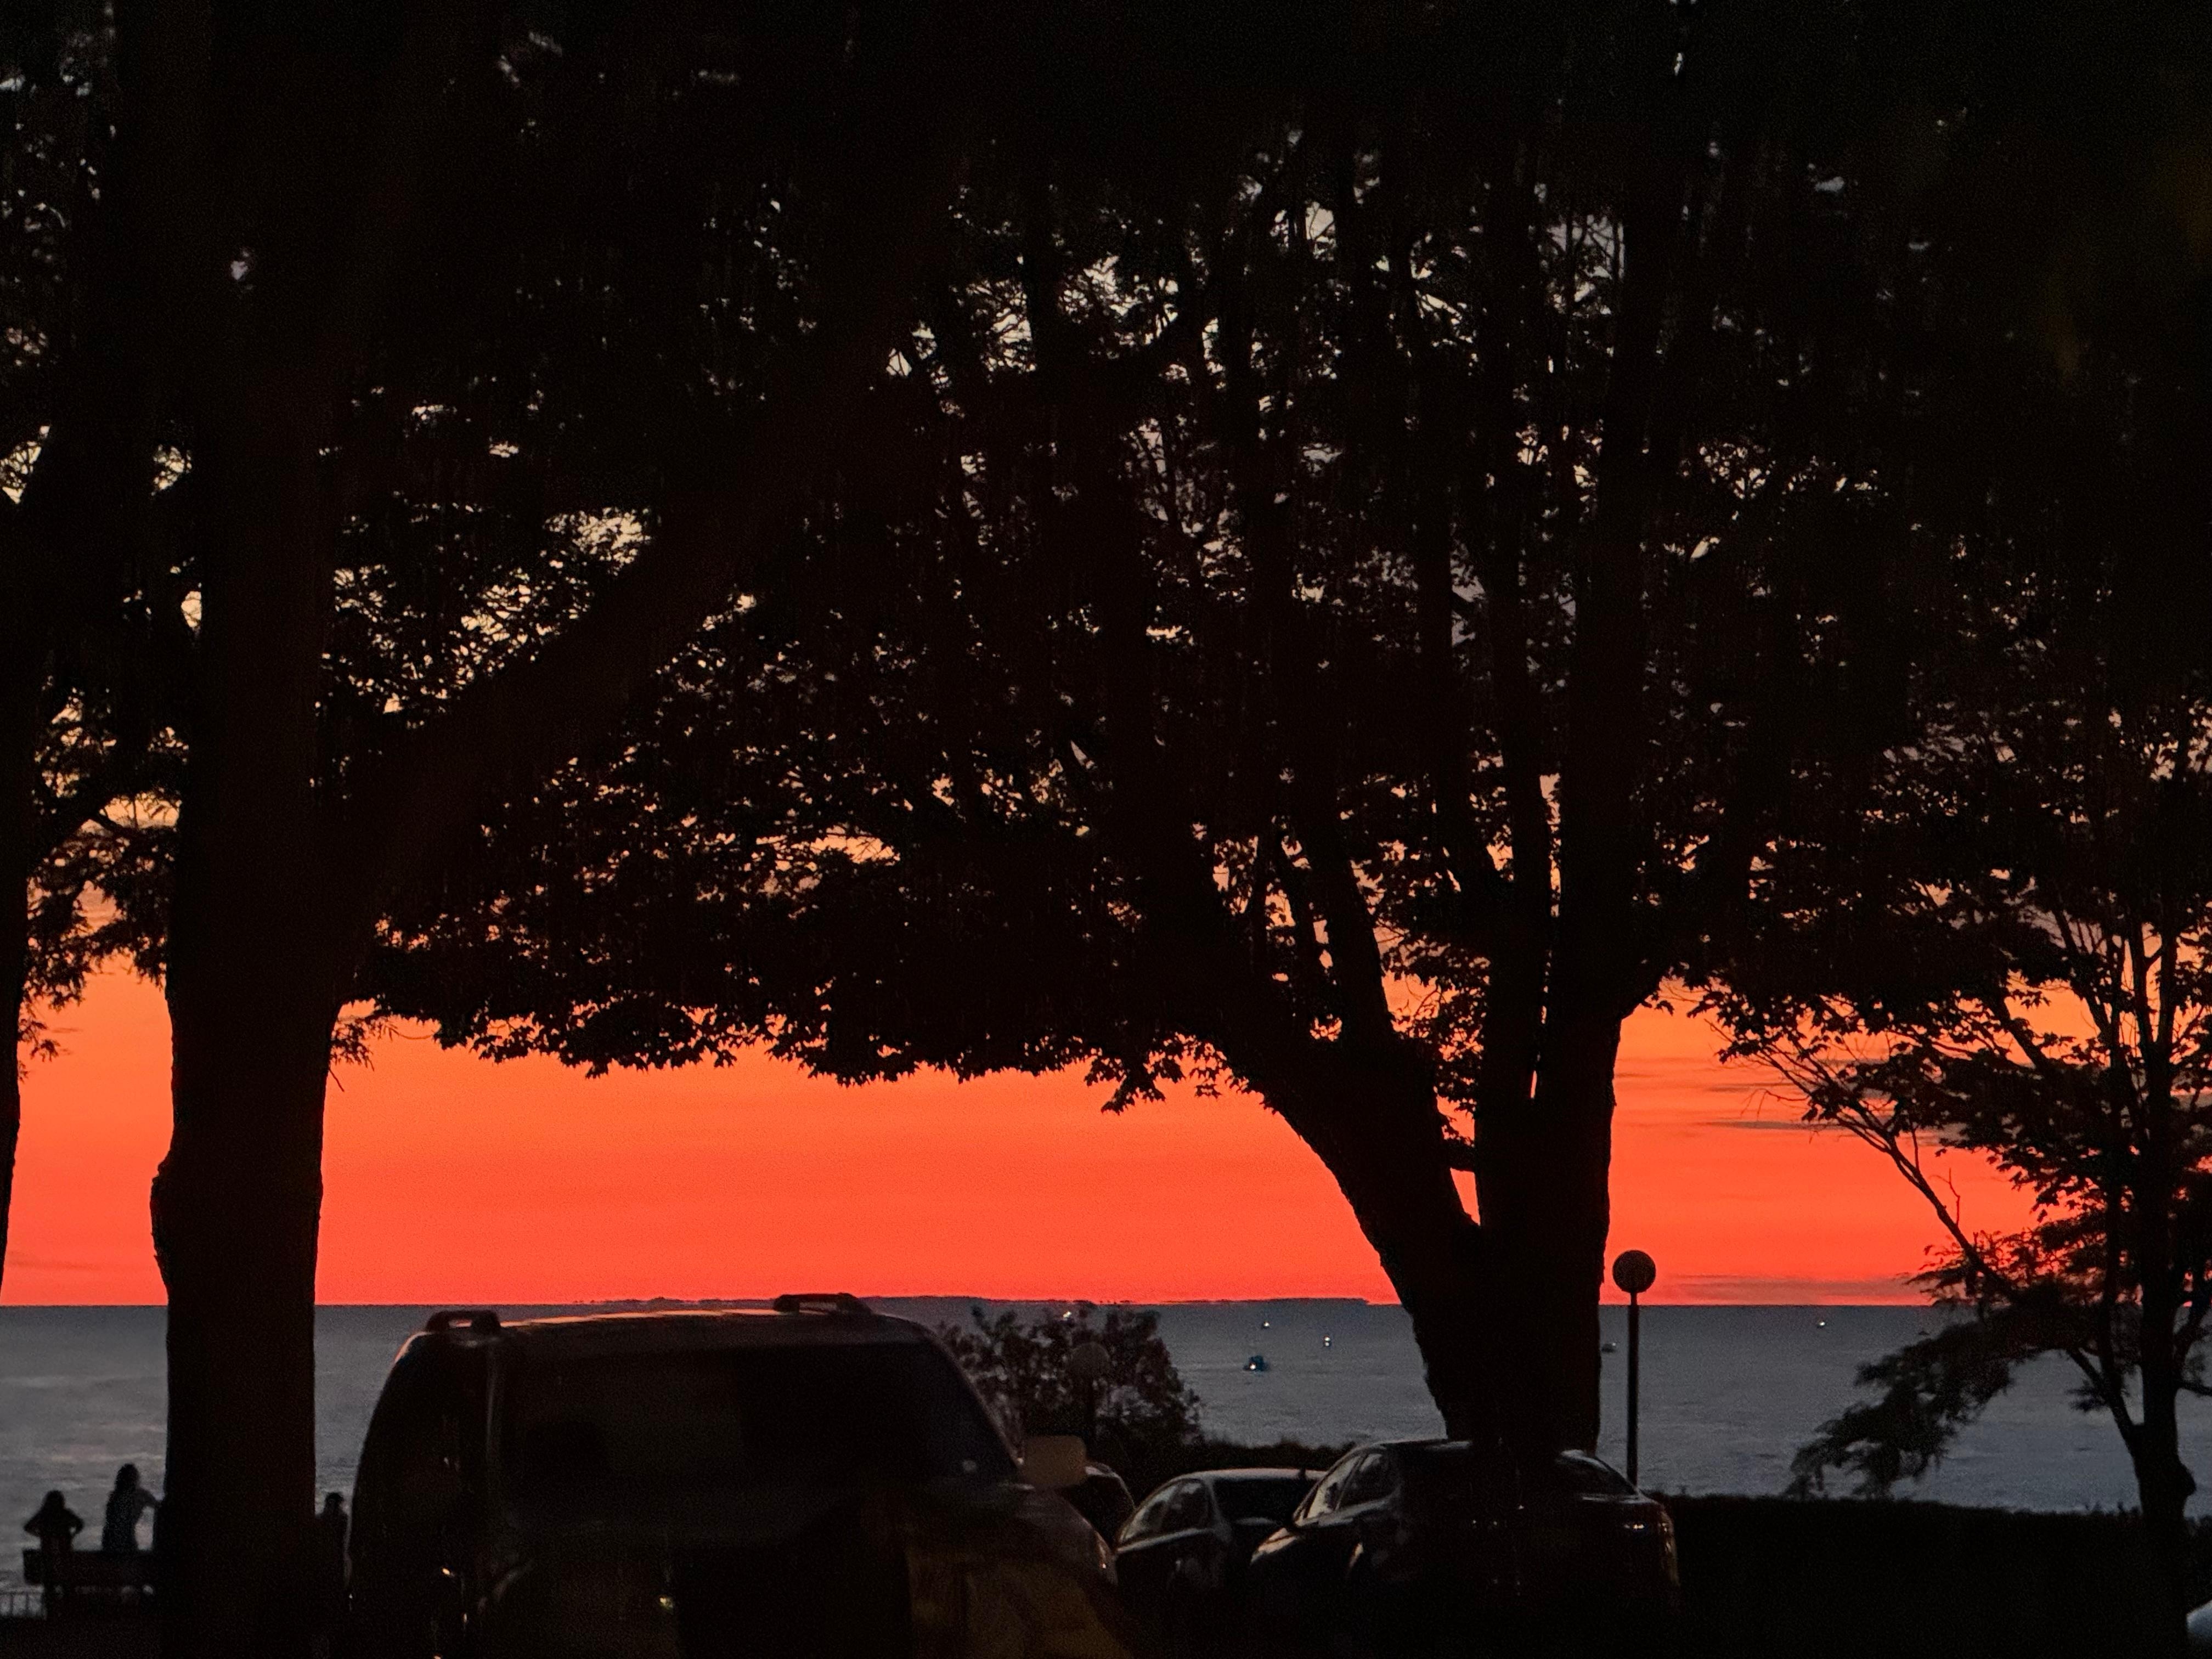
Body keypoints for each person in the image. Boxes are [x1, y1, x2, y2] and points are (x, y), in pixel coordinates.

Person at [24, 1491, 83, 1613]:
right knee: (67, 1582)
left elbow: (28, 1527)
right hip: (65, 1559)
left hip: (48, 1561)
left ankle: (52, 1612)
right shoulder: (65, 1514)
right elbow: (80, 1525)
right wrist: (72, 1535)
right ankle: (69, 1612)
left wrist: (39, 1535)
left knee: (49, 1582)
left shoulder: (43, 1516)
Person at [101, 1464, 157, 1555]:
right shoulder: (141, 1495)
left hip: (112, 1540)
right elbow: (159, 1507)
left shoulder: (115, 1497)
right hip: (122, 1539)